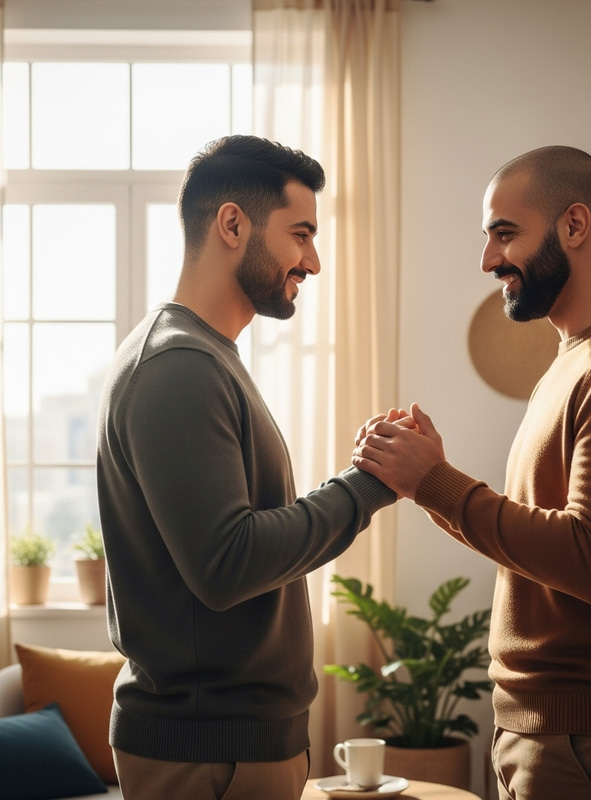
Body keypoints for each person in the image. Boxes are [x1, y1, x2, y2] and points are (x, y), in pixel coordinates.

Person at [353, 146, 591, 800]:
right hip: (561, 734)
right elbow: (542, 548)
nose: (489, 260)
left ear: (575, 226)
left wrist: (437, 482)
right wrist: (426, 480)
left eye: (505, 233)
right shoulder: (578, 357)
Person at [96, 135, 396, 800]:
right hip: (211, 752)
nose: (312, 261)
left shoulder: (204, 357)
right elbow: (226, 563)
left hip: (234, 745)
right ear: (233, 224)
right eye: (301, 234)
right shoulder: (179, 368)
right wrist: (368, 486)